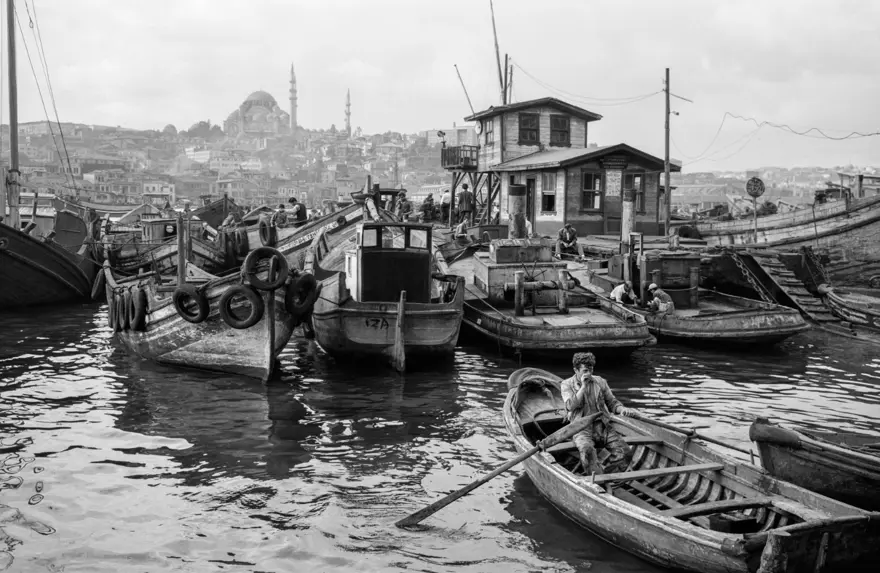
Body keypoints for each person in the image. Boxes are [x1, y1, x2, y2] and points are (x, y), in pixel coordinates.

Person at [561, 352, 637, 476]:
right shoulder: (566, 384)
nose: (589, 374)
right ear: (575, 370)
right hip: (581, 428)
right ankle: (597, 481)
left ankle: (604, 477)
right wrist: (583, 387)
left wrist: (622, 409)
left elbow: (612, 403)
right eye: (585, 370)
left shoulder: (600, 381)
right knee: (587, 452)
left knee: (625, 453)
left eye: (591, 370)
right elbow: (570, 406)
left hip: (602, 426)